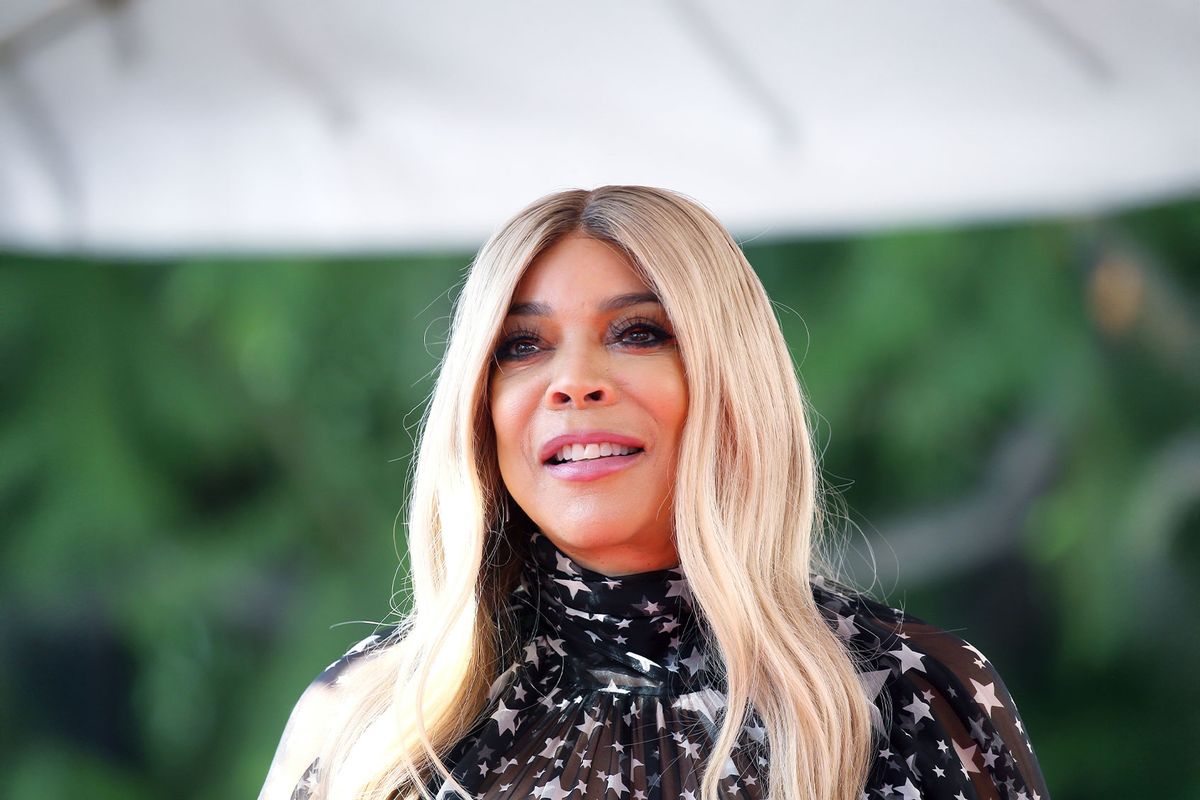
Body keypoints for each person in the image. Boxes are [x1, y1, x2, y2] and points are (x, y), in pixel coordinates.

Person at [259, 186, 1049, 800]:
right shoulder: (368, 722)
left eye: (638, 332)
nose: (573, 383)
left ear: (731, 381)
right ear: (478, 403)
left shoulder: (905, 696)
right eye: (522, 347)